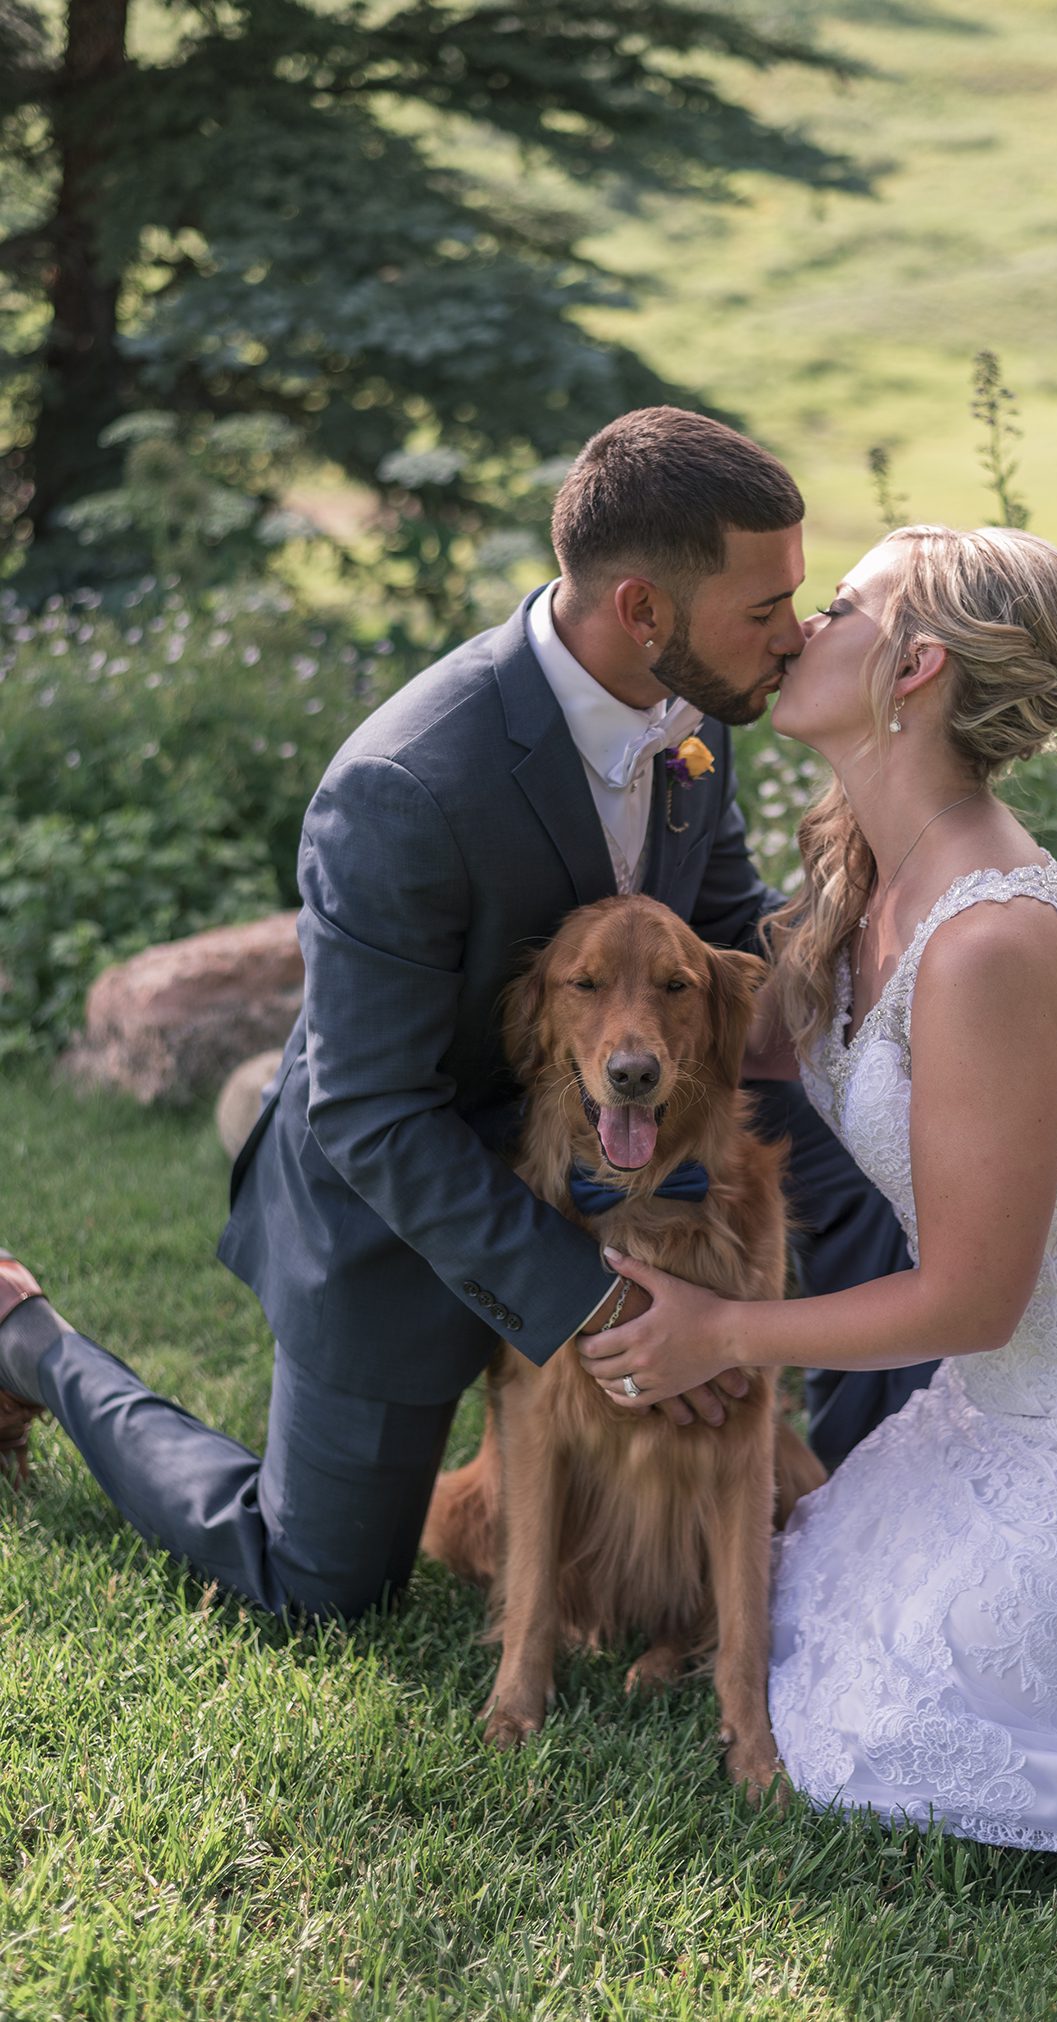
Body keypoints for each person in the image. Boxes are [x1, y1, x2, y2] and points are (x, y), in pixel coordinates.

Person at [0, 406, 934, 1618]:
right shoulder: (402, 788)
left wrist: (916, 976)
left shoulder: (695, 709)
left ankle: (878, 1540)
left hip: (622, 1123)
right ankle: (30, 1343)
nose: (795, 634)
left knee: (870, 1164)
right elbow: (369, 1110)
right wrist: (591, 1299)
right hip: (408, 1194)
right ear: (642, 610)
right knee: (319, 1583)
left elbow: (725, 920)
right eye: (764, 610)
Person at [580, 523, 1057, 1876]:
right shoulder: (865, 861)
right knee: (810, 1599)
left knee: (885, 1730)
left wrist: (717, 1329)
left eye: (839, 606)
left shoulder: (988, 943)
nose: (800, 628)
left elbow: (973, 1297)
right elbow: (742, 1040)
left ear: (916, 663)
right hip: (1009, 1403)